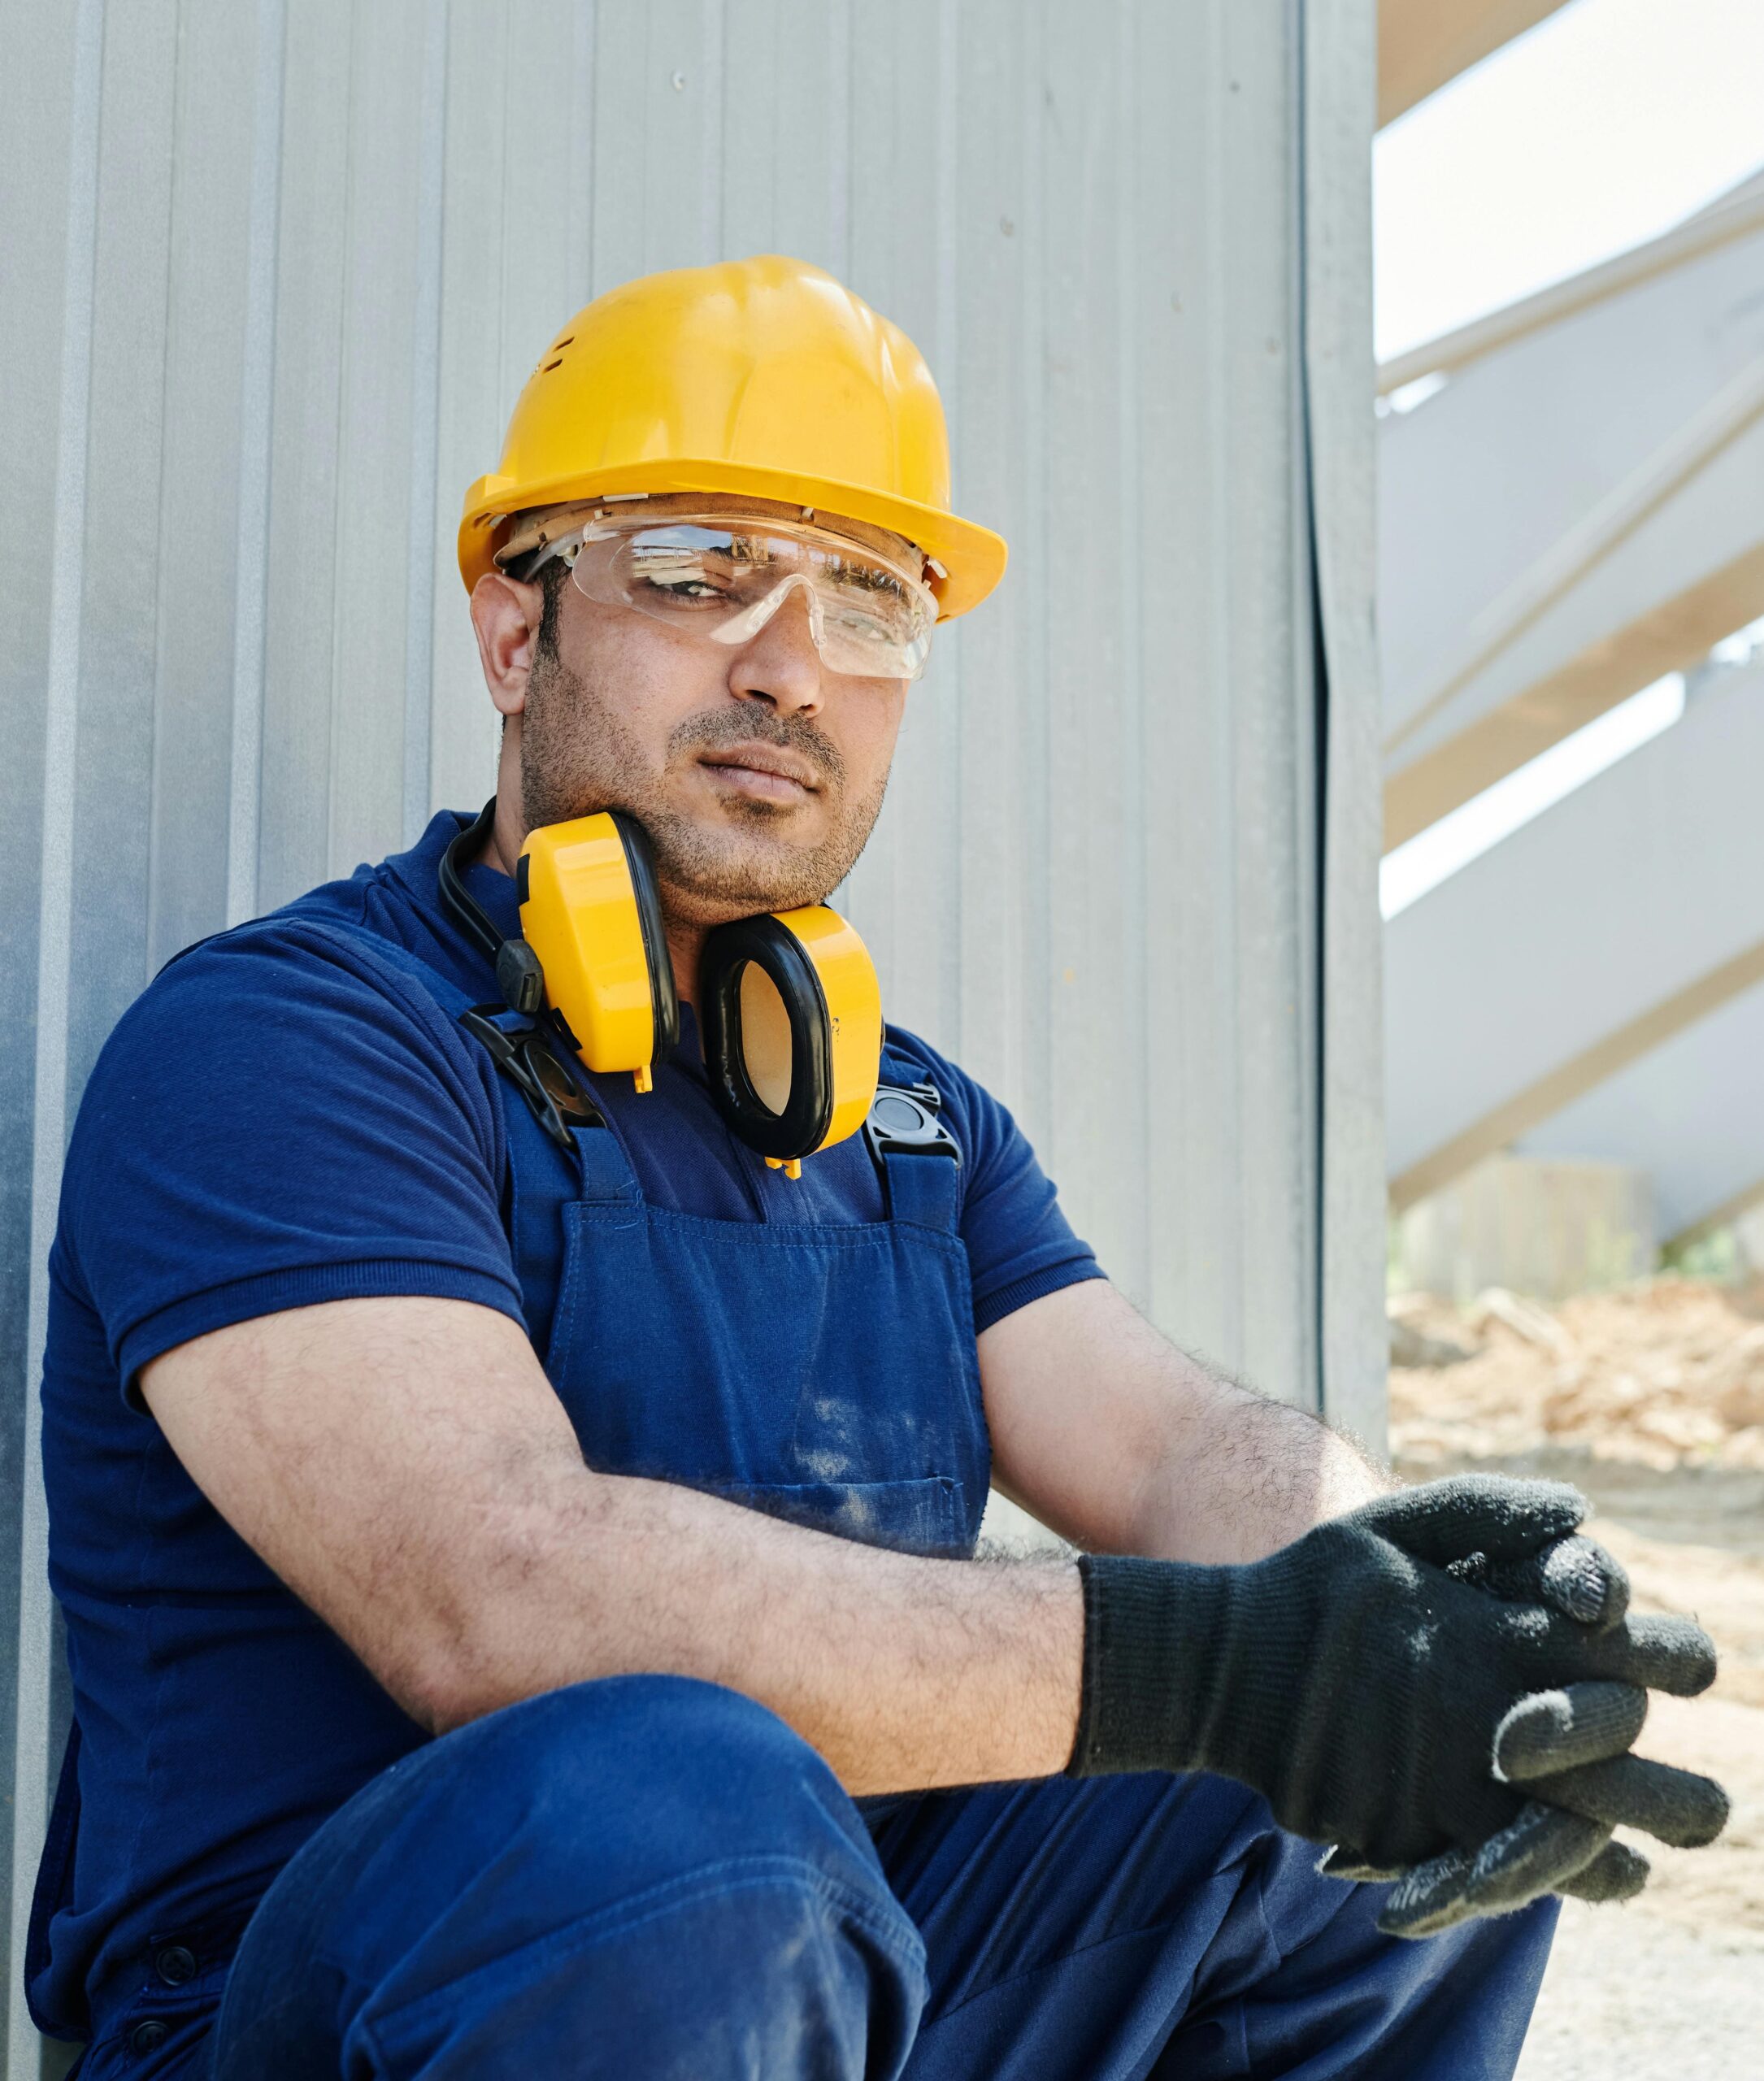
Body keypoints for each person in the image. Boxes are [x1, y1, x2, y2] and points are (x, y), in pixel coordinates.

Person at [33, 256, 1723, 2080]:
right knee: (682, 1794)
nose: (788, 665)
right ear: (516, 634)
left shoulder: (903, 1117)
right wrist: (1220, 1666)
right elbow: (497, 1591)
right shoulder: (290, 1044)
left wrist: (1398, 1599)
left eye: (866, 600)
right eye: (696, 570)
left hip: (827, 1977)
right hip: (346, 2012)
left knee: (1383, 1798)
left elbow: (1170, 1445)